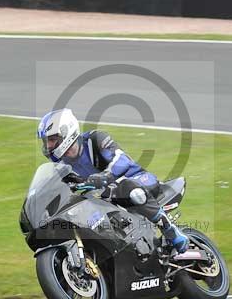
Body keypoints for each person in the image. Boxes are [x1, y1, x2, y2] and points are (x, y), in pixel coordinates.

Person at [37, 108, 188, 253]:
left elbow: (121, 159)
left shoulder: (94, 139)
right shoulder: (61, 166)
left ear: (66, 132)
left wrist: (106, 176)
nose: (48, 146)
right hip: (107, 196)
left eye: (52, 140)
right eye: (46, 141)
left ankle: (171, 231)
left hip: (137, 180)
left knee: (129, 188)